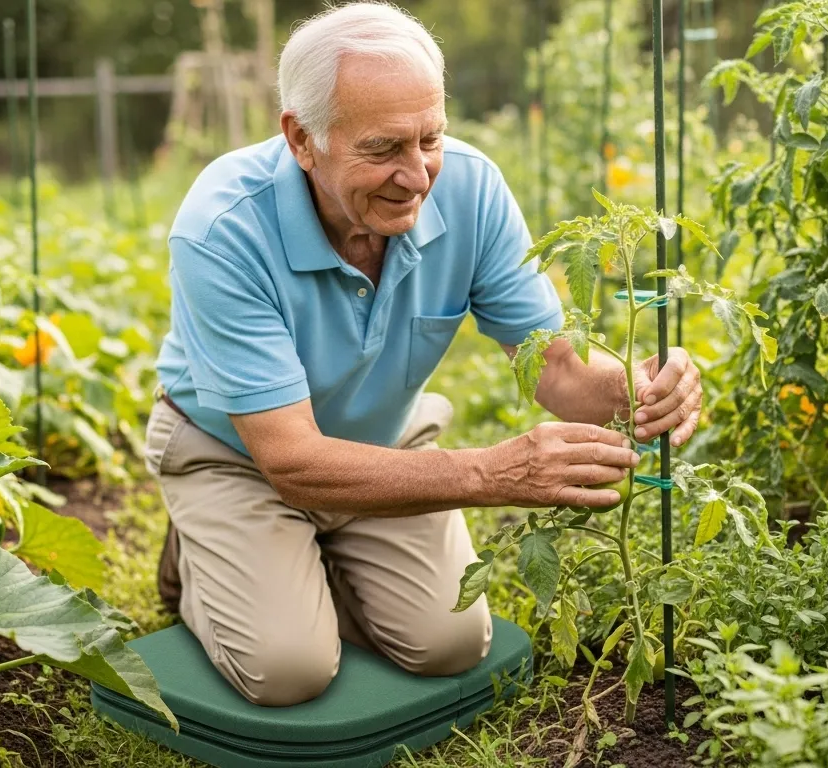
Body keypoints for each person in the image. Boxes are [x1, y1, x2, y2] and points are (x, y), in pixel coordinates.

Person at [147, 1, 703, 707]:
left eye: (430, 139)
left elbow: (558, 370)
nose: (417, 176)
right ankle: (206, 556)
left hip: (382, 440)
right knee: (288, 668)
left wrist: (641, 386)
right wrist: (488, 472)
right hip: (238, 455)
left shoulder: (470, 188)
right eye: (382, 149)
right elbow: (289, 460)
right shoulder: (222, 228)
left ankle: (297, 567)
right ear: (302, 139)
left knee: (449, 644)